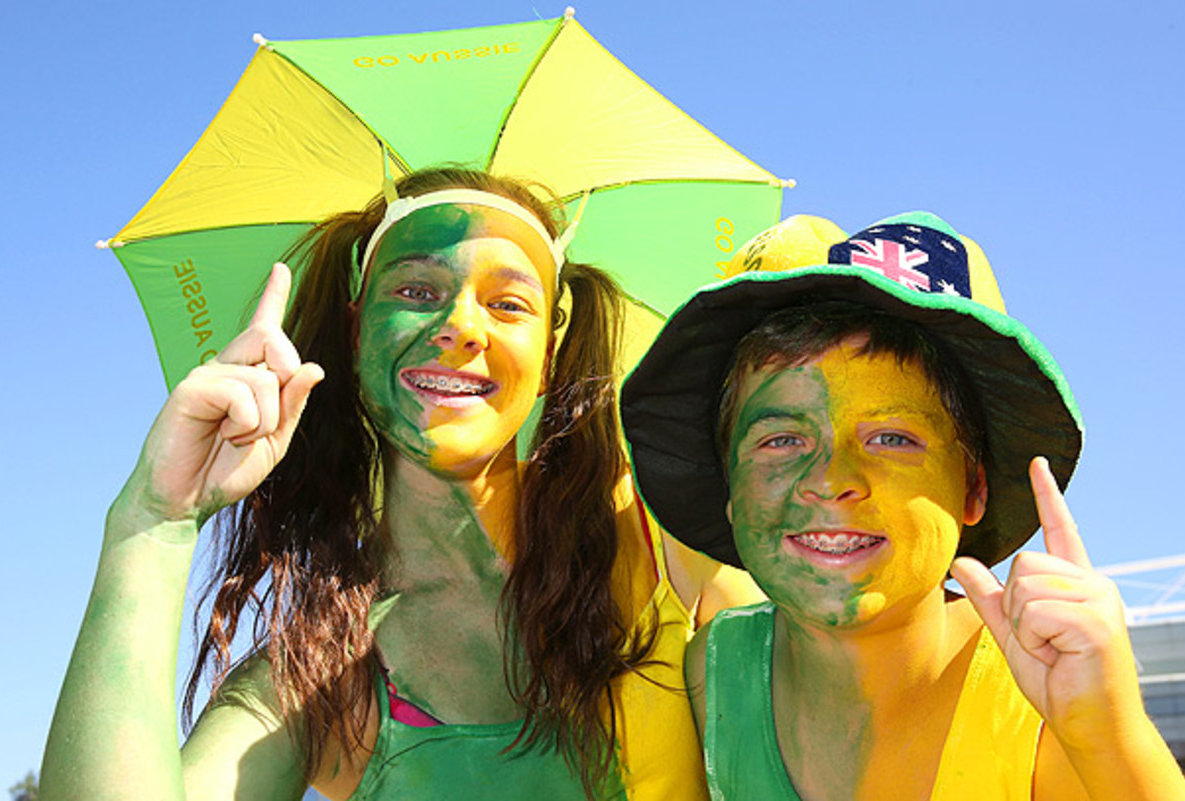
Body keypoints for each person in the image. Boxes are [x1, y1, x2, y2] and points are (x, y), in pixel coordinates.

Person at [41, 168, 761, 800]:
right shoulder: (320, 673)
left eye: (509, 303)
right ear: (357, 332)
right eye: (417, 289)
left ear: (550, 354)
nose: (460, 326)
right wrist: (155, 520)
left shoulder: (665, 540)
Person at [620, 212, 1185, 799]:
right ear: (730, 491)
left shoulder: (1038, 699)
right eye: (781, 440)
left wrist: (1107, 737)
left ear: (973, 488)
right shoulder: (704, 682)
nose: (831, 479)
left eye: (891, 438)